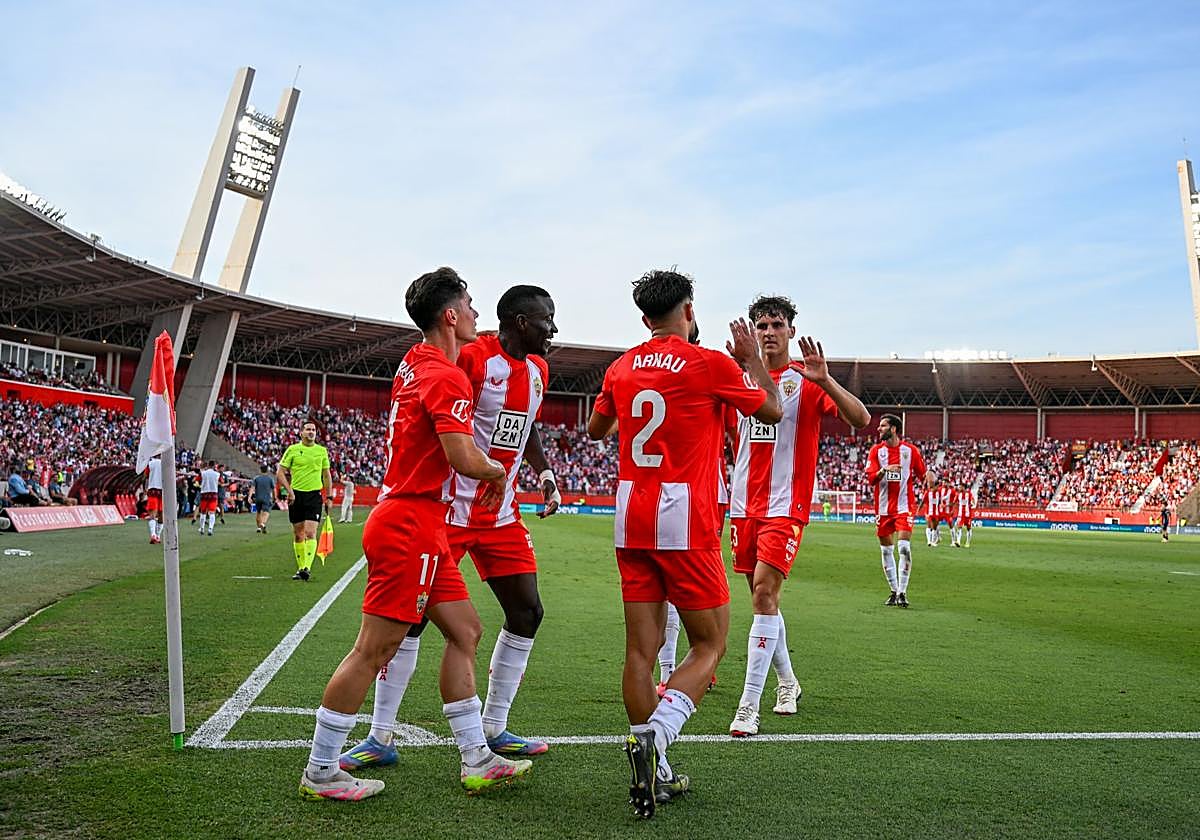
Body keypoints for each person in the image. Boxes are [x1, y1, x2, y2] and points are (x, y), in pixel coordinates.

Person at [298, 267, 528, 802]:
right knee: (374, 649)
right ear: (450, 315)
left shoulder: (415, 362)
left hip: (423, 521)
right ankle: (321, 769)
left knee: (466, 630)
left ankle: (477, 758)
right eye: (469, 304)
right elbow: (460, 454)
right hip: (410, 522)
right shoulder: (446, 375)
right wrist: (497, 472)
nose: (476, 313)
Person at [587, 269, 783, 819]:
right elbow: (772, 409)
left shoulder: (621, 366)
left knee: (639, 652)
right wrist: (752, 361)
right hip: (685, 517)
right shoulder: (710, 364)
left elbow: (598, 430)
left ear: (645, 319)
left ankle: (656, 766)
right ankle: (660, 738)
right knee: (709, 645)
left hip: (631, 511)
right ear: (689, 311)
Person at [341, 284, 562, 771]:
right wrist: (481, 470)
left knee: (527, 612)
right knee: (410, 621)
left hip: (500, 514)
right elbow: (436, 416)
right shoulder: (469, 359)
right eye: (548, 318)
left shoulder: (540, 370)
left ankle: (493, 728)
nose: (555, 328)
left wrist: (544, 474)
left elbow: (525, 427)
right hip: (448, 510)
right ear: (522, 322)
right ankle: (380, 735)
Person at [725, 295, 869, 737]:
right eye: (761, 325)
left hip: (786, 507)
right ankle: (788, 682)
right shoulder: (736, 379)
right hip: (742, 506)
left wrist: (825, 381)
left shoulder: (805, 382)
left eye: (776, 324)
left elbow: (860, 419)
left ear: (790, 331)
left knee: (764, 597)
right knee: (762, 602)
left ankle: (749, 705)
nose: (769, 331)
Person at [866, 415, 929, 608]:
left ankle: (903, 592)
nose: (879, 429)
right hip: (883, 509)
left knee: (903, 547)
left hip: (904, 507)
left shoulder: (910, 451)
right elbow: (871, 479)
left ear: (893, 429)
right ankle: (894, 591)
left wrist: (931, 475)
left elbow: (923, 475)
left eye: (883, 425)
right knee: (886, 551)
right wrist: (885, 470)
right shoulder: (876, 451)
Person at [277, 420, 333, 581]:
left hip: (314, 495)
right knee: (298, 534)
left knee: (310, 532)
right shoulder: (293, 450)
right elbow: (280, 472)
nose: (311, 432)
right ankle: (301, 568)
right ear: (301, 432)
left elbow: (326, 475)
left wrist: (329, 497)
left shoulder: (321, 451)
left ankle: (307, 567)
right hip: (296, 496)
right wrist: (289, 491)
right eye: (308, 429)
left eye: (313, 430)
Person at [196, 460, 221, 536]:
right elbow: (221, 482)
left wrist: (200, 485)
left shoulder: (203, 473)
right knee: (212, 512)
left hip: (204, 494)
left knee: (203, 512)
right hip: (213, 494)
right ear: (214, 466)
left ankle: (202, 528)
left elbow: (196, 480)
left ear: (208, 465)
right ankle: (210, 528)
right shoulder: (217, 474)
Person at [144, 455, 164, 544]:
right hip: (163, 491)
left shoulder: (150, 464)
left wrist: (145, 488)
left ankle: (153, 535)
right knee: (161, 515)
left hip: (152, 490)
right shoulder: (166, 463)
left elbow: (146, 476)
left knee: (153, 514)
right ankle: (158, 536)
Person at [253, 465, 275, 534]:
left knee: (258, 512)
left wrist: (249, 496)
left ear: (260, 470)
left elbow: (252, 488)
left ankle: (259, 528)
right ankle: (262, 524)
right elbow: (273, 489)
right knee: (266, 512)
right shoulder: (270, 479)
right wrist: (274, 497)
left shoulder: (256, 478)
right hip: (266, 498)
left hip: (258, 498)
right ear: (267, 470)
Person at [952, 482, 974, 548]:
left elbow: (973, 501)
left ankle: (967, 542)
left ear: (964, 487)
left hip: (968, 514)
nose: (959, 488)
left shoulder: (969, 494)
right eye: (959, 487)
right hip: (960, 514)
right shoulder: (958, 494)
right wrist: (953, 509)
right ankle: (958, 542)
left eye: (960, 487)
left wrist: (972, 503)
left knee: (969, 528)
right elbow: (954, 502)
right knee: (959, 527)